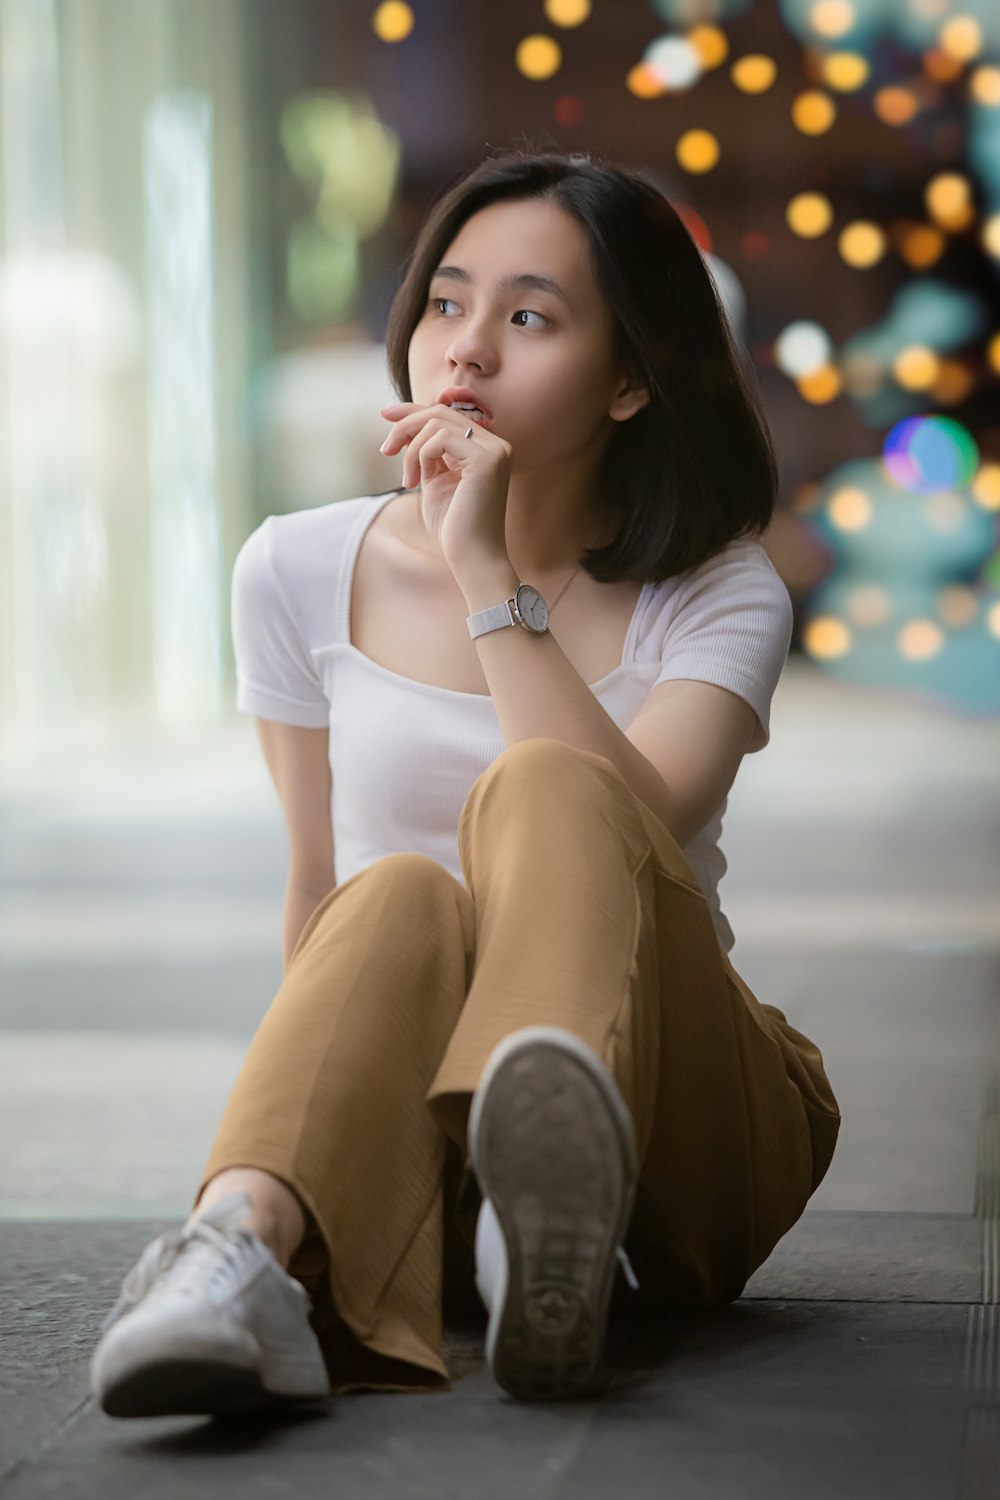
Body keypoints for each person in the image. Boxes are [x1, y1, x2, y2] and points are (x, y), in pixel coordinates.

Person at [89, 146, 841, 1419]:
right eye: (445, 302)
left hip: (692, 1113)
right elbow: (312, 893)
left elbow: (639, 823)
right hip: (430, 1129)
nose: (467, 351)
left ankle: (555, 1190)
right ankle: (238, 1249)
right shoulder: (293, 569)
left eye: (529, 317)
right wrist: (323, 1144)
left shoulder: (717, 586)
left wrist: (487, 574)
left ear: (627, 384)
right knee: (384, 901)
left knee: (545, 788)